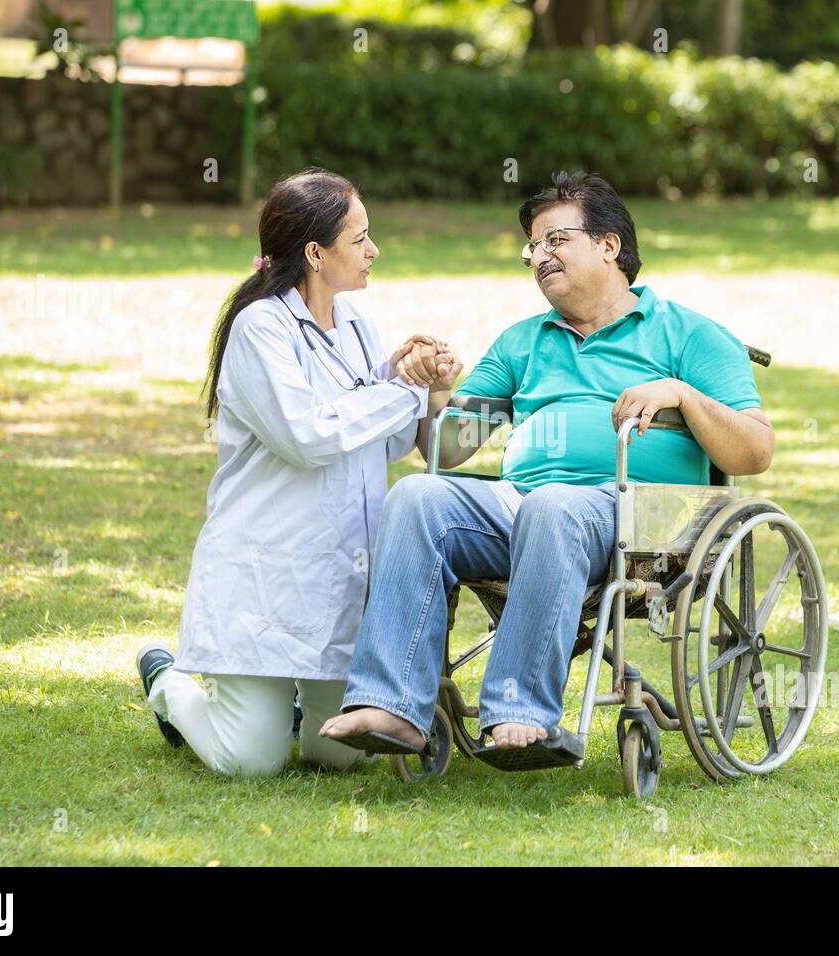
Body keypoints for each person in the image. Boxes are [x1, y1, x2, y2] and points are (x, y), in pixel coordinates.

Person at [320, 171, 774, 766]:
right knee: (417, 496)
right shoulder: (522, 343)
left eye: (555, 240)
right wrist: (438, 392)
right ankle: (392, 704)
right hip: (524, 510)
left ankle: (519, 710)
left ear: (609, 246)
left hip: (643, 519)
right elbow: (449, 448)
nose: (540, 256)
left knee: (552, 505)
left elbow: (755, 451)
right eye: (533, 247)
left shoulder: (690, 335)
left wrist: (681, 395)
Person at [134, 168, 462, 777]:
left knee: (336, 754)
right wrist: (402, 389)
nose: (373, 250)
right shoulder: (260, 328)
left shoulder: (359, 325)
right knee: (248, 761)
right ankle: (167, 681)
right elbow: (308, 435)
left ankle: (280, 705)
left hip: (339, 569)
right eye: (359, 238)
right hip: (263, 571)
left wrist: (422, 387)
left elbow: (387, 442)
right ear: (316, 253)